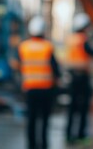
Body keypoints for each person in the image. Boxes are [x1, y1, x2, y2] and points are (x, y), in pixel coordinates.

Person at [17, 16, 60, 149]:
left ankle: (31, 145)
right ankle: (44, 145)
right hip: (46, 89)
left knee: (31, 120)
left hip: (30, 89)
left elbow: (18, 65)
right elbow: (55, 69)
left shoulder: (24, 47)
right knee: (44, 121)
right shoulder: (47, 47)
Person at [65, 13, 93, 145]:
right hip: (82, 77)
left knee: (72, 108)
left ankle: (69, 135)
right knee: (83, 107)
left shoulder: (71, 39)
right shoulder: (83, 40)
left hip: (72, 77)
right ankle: (80, 135)